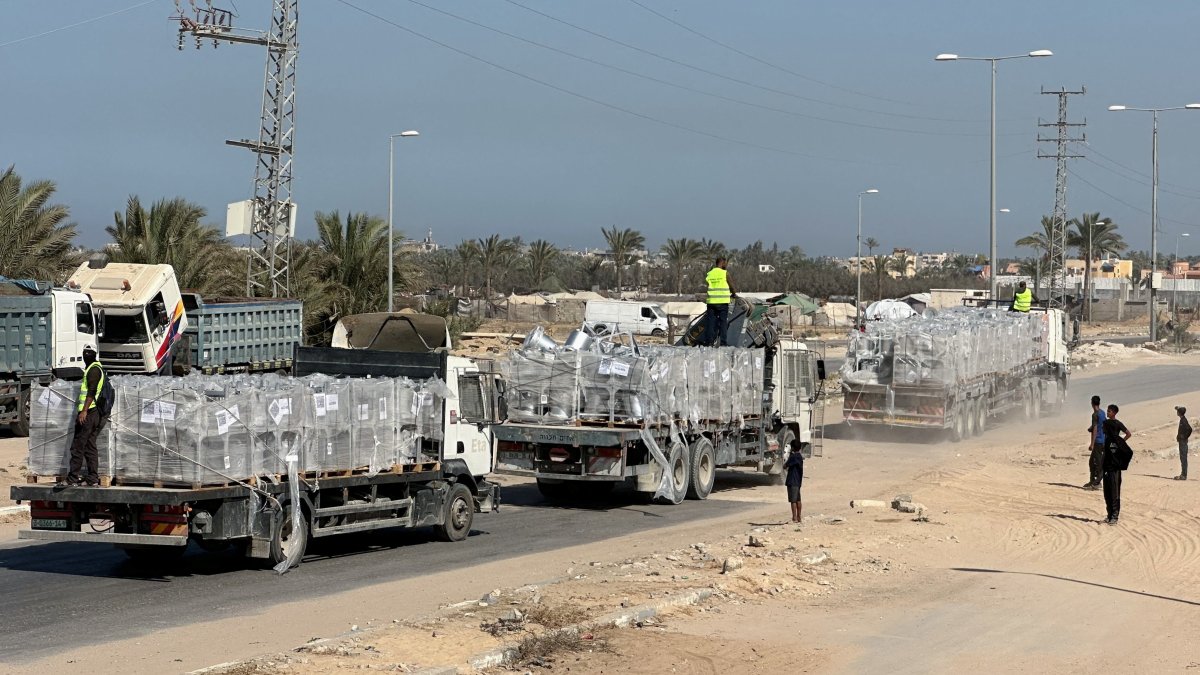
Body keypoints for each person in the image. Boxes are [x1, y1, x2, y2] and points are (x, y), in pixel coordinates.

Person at [63, 345, 106, 487]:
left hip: (89, 413)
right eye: (85, 352)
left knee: (77, 445)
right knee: (89, 446)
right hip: (93, 414)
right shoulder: (93, 368)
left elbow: (91, 391)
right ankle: (93, 479)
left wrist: (84, 411)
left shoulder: (94, 370)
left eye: (89, 352)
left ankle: (72, 479)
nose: (86, 354)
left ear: (94, 354)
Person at [1101, 404, 1132, 524]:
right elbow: (1128, 434)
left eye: (1109, 411)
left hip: (1114, 467)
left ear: (1114, 412)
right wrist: (1121, 442)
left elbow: (1128, 434)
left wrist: (1120, 443)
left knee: (1114, 491)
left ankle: (1114, 516)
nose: (1107, 413)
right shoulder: (1110, 440)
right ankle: (1109, 515)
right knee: (1107, 491)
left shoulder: (1109, 425)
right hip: (1107, 465)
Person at [701, 257, 734, 347]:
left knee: (711, 323)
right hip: (722, 302)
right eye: (725, 263)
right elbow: (731, 286)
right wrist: (734, 294)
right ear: (722, 263)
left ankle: (709, 342)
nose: (726, 265)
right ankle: (723, 342)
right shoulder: (725, 273)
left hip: (711, 302)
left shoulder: (710, 274)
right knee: (723, 322)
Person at [1084, 394, 1106, 490]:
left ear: (1092, 403)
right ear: (1099, 403)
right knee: (1091, 462)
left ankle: (1097, 483)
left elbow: (1096, 428)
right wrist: (1091, 427)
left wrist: (1092, 444)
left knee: (1098, 463)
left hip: (1097, 441)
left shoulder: (1095, 415)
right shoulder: (1102, 413)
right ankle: (1092, 480)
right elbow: (1101, 425)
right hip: (1103, 440)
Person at [784, 439, 805, 524]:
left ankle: (794, 517)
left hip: (792, 480)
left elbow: (785, 466)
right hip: (798, 481)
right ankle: (799, 517)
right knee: (798, 499)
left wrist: (789, 456)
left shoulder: (793, 457)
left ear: (792, 448)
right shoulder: (799, 456)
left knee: (793, 500)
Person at [1176, 405, 1192, 481]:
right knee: (1182, 458)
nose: (1176, 412)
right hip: (1182, 441)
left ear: (1179, 413)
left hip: (1183, 442)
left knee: (1183, 458)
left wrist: (1184, 437)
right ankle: (1183, 474)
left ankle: (1183, 475)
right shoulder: (1182, 418)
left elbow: (1189, 429)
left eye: (1177, 411)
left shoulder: (1184, 421)